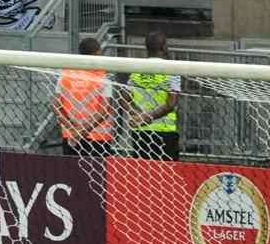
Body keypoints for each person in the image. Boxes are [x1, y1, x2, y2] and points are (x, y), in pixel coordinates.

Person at [55, 38, 116, 158]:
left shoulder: (66, 75)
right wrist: (82, 131)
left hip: (71, 136)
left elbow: (56, 107)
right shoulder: (103, 77)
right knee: (97, 175)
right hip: (98, 138)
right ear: (97, 54)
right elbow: (103, 112)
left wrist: (73, 129)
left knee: (71, 173)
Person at [127, 31, 181, 160]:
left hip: (140, 132)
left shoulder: (137, 69)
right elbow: (171, 104)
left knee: (142, 174)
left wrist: (139, 116)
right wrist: (148, 117)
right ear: (163, 47)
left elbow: (125, 98)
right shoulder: (172, 70)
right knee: (166, 176)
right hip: (164, 132)